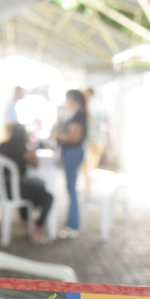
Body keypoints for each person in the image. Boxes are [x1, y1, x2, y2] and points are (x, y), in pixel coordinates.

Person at [0, 123, 53, 244]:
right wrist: (33, 151)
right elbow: (35, 165)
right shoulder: (24, 150)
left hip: (0, 189)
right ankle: (38, 229)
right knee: (48, 196)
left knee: (36, 187)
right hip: (14, 190)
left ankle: (26, 223)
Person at [51, 89, 87, 238]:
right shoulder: (71, 114)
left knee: (71, 189)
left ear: (72, 100)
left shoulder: (79, 115)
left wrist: (57, 136)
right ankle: (71, 223)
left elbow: (74, 137)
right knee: (70, 188)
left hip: (73, 152)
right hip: (69, 152)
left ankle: (73, 225)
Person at [82, 87, 107, 182]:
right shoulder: (99, 106)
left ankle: (87, 185)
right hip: (98, 140)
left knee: (86, 165)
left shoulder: (90, 105)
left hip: (91, 140)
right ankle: (87, 185)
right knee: (90, 165)